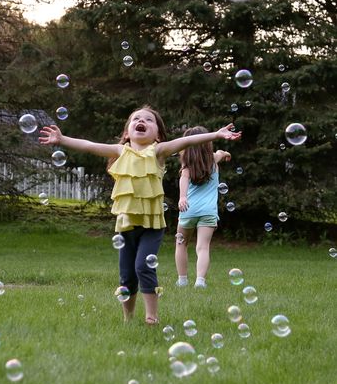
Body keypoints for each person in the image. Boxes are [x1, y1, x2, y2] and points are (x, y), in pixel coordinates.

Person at [39, 106, 241, 324]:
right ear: (127, 131)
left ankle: (151, 317)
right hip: (126, 224)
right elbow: (89, 146)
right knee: (126, 275)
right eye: (136, 119)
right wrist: (62, 139)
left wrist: (216, 134)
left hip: (152, 225)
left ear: (158, 135)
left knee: (143, 267)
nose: (141, 121)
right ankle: (128, 318)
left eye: (148, 120)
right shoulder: (119, 152)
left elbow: (186, 142)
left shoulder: (158, 151)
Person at [175, 125, 233, 289]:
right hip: (208, 211)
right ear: (208, 144)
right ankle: (200, 281)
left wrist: (183, 197)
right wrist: (227, 154)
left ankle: (182, 280)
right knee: (203, 247)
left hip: (189, 210)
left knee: (181, 243)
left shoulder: (187, 166)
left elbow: (183, 180)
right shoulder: (213, 159)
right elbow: (222, 153)